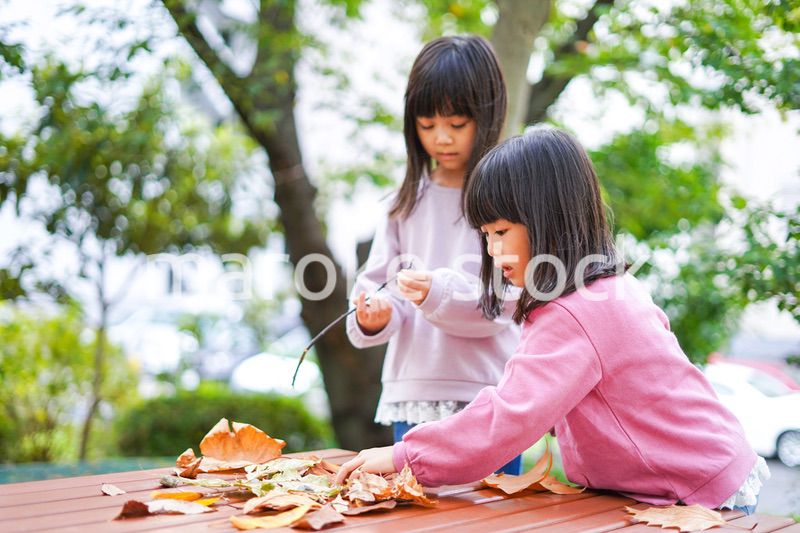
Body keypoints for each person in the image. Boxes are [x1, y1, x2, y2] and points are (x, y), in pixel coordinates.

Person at [337, 128, 770, 514]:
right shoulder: (605, 290)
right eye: (485, 235)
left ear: (549, 221)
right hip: (701, 473)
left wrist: (403, 457)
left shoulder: (575, 313)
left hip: (697, 492)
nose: (490, 251)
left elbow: (507, 419)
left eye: (501, 232)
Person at [346, 35, 522, 473]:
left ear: (488, 115)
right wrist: (376, 315)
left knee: (499, 515)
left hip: (491, 392)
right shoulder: (403, 204)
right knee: (415, 511)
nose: (441, 138)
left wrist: (435, 293)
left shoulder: (510, 202)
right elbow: (377, 288)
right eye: (427, 125)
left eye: (457, 124)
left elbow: (504, 302)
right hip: (414, 391)